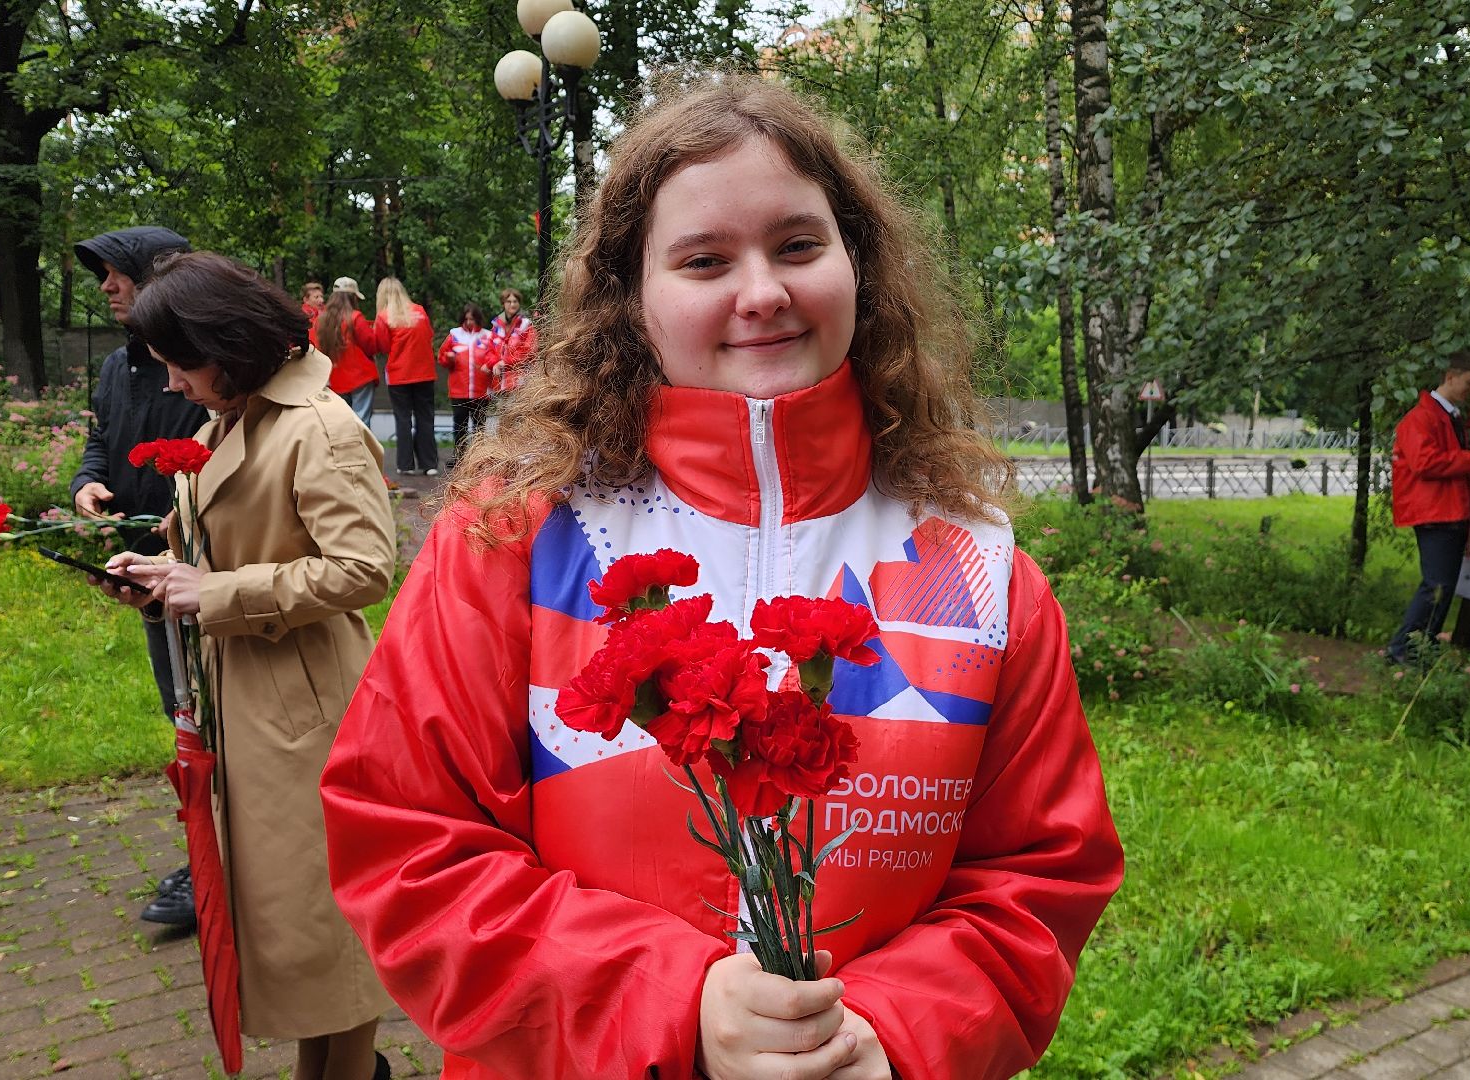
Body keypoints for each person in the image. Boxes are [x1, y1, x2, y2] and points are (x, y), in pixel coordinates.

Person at [318, 74, 1123, 1080]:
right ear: (631, 297)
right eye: (704, 260)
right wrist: (672, 1003)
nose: (761, 292)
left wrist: (897, 1034)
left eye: (797, 245)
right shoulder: (512, 543)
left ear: (857, 267)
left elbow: (1038, 881)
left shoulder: (981, 570)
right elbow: (408, 847)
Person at [101, 251, 398, 1080]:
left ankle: (345, 1069)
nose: (169, 384)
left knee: (317, 915)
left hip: (305, 708)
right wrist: (161, 576)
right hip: (248, 699)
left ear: (224, 347)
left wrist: (216, 590)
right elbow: (222, 543)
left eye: (177, 363)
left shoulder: (320, 426)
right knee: (286, 915)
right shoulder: (231, 418)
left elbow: (365, 568)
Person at [69, 225, 207, 930]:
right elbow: (100, 437)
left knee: (214, 717)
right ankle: (210, 853)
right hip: (143, 576)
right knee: (180, 712)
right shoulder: (117, 367)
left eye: (115, 272)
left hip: (204, 572)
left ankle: (220, 864)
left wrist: (185, 524)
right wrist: (87, 482)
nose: (106, 286)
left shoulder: (200, 360)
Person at [1386, 351, 1470, 664]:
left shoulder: (1446, 416)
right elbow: (1424, 463)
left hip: (1447, 510)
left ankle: (1419, 648)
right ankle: (1404, 650)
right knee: (1436, 586)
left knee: (1442, 586)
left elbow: (1444, 464)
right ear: (1450, 377)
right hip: (1434, 512)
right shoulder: (1422, 418)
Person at [373, 277, 438, 475]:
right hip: (425, 372)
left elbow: (382, 346)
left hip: (399, 375)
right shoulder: (419, 311)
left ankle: (405, 465)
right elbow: (429, 335)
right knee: (425, 418)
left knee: (403, 419)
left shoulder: (384, 317)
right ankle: (429, 464)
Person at [317, 278, 382, 428]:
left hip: (335, 377)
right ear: (352, 297)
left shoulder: (322, 320)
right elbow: (371, 346)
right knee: (361, 423)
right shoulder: (355, 317)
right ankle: (361, 451)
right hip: (360, 377)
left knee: (340, 424)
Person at [435, 303, 494, 455]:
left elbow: (494, 357)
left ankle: (478, 458)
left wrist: (489, 365)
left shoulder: (487, 336)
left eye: (472, 319)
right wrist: (449, 358)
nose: (469, 322)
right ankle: (459, 457)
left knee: (479, 427)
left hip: (480, 392)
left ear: (478, 319)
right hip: (459, 391)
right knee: (460, 426)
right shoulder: (454, 335)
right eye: (467, 319)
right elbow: (441, 358)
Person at [488, 287, 536, 394]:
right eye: (508, 301)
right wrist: (494, 363)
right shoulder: (496, 326)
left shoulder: (526, 325)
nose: (512, 304)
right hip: (498, 383)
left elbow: (528, 351)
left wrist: (504, 362)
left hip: (519, 382)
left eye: (515, 301)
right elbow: (489, 350)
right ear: (503, 304)